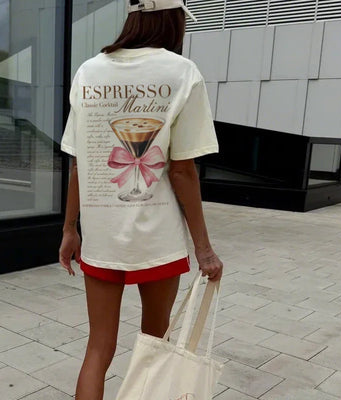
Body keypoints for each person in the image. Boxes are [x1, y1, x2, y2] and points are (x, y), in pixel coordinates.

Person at [59, 1, 224, 399]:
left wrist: (69, 229)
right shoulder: (183, 73)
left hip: (101, 235)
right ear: (173, 19)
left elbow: (80, 164)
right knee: (155, 345)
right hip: (158, 238)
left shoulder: (88, 71)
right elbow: (183, 171)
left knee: (98, 347)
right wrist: (204, 250)